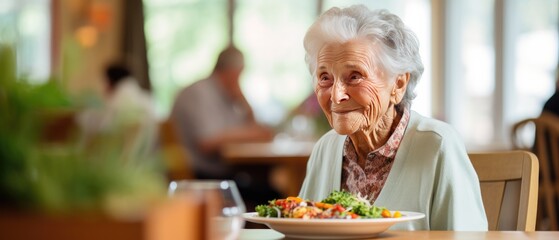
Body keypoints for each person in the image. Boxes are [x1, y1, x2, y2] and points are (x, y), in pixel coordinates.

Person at [298, 5, 488, 230]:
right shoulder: (326, 148)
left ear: (398, 84)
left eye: (355, 76)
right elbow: (300, 230)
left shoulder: (437, 146)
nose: (337, 95)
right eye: (325, 78)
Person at [170, 46, 279, 212]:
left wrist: (244, 102)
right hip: (202, 179)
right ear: (233, 71)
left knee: (268, 184)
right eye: (240, 74)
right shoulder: (199, 93)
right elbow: (207, 143)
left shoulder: (225, 94)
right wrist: (252, 134)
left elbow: (250, 127)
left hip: (221, 174)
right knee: (272, 195)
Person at [77, 63, 158, 160]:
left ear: (109, 81)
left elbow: (101, 134)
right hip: (146, 162)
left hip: (116, 164)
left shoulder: (117, 101)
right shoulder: (146, 99)